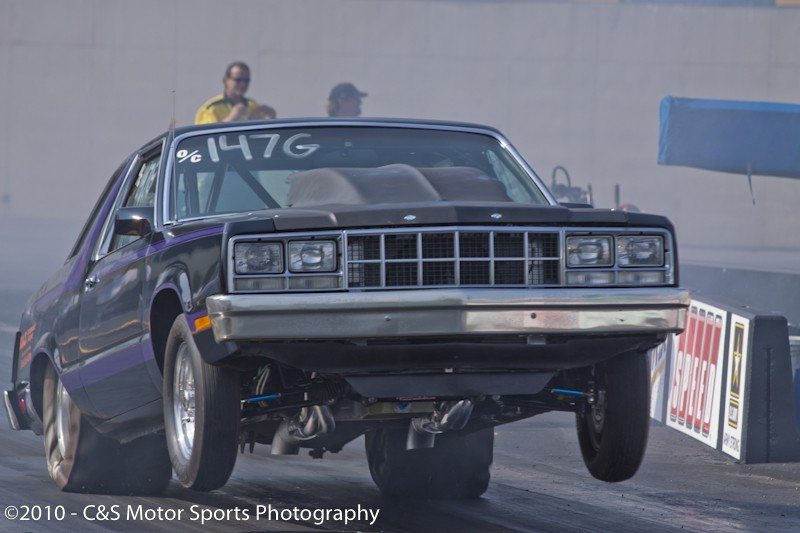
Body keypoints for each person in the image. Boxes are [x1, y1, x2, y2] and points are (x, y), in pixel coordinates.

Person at [195, 61, 276, 124]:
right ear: (225, 80)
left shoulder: (253, 105)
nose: (243, 84)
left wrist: (271, 118)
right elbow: (206, 136)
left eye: (246, 80)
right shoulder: (211, 108)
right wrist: (232, 117)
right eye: (238, 80)